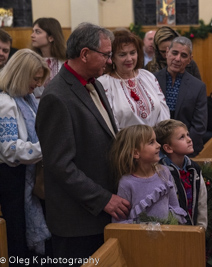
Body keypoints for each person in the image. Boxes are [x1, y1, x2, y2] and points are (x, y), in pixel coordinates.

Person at [35, 22, 131, 265]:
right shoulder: (57, 96)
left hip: (99, 215)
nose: (110, 61)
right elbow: (60, 165)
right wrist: (103, 199)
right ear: (85, 54)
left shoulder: (94, 82)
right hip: (77, 221)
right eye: (106, 55)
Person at [0, 49, 50, 262]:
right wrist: (47, 147)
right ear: (21, 75)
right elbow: (10, 150)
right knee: (16, 238)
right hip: (12, 181)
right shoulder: (6, 103)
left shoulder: (28, 99)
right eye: (35, 79)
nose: (38, 84)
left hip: (27, 176)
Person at [109, 124, 187, 224]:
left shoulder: (164, 172)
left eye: (156, 141)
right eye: (151, 142)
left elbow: (175, 206)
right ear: (136, 153)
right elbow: (119, 222)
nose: (158, 145)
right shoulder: (126, 183)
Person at [98, 29, 169, 129]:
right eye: (122, 54)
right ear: (112, 57)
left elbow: (163, 111)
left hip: (156, 140)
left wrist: (157, 138)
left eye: (132, 53)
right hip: (125, 143)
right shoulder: (104, 83)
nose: (129, 59)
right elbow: (108, 123)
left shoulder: (148, 76)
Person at [154, 36, 207, 157]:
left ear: (190, 60)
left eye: (183, 55)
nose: (177, 59)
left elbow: (199, 125)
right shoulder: (152, 80)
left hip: (186, 151)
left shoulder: (198, 86)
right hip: (156, 148)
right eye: (174, 53)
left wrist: (182, 146)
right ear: (167, 53)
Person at [154, 119, 208, 229]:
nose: (189, 140)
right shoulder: (161, 172)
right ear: (168, 148)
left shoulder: (194, 168)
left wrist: (201, 228)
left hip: (194, 229)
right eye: (182, 137)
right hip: (174, 232)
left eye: (187, 135)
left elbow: (201, 201)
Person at [31, 17, 67, 100]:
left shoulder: (65, 62)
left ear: (51, 37)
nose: (32, 35)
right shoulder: (31, 61)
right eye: (33, 31)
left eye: (37, 32)